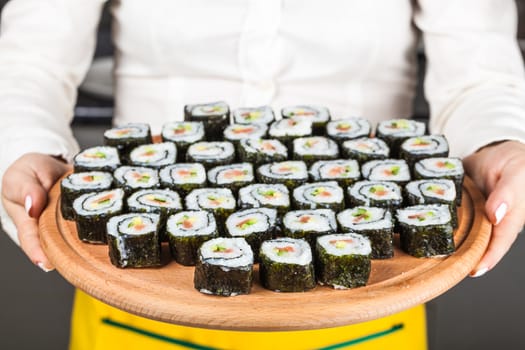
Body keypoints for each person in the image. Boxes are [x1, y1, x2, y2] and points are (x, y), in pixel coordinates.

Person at [1, 0, 525, 349]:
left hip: (365, 295)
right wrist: (24, 146)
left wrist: (500, 142)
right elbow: (28, 63)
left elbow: (479, 74)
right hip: (143, 283)